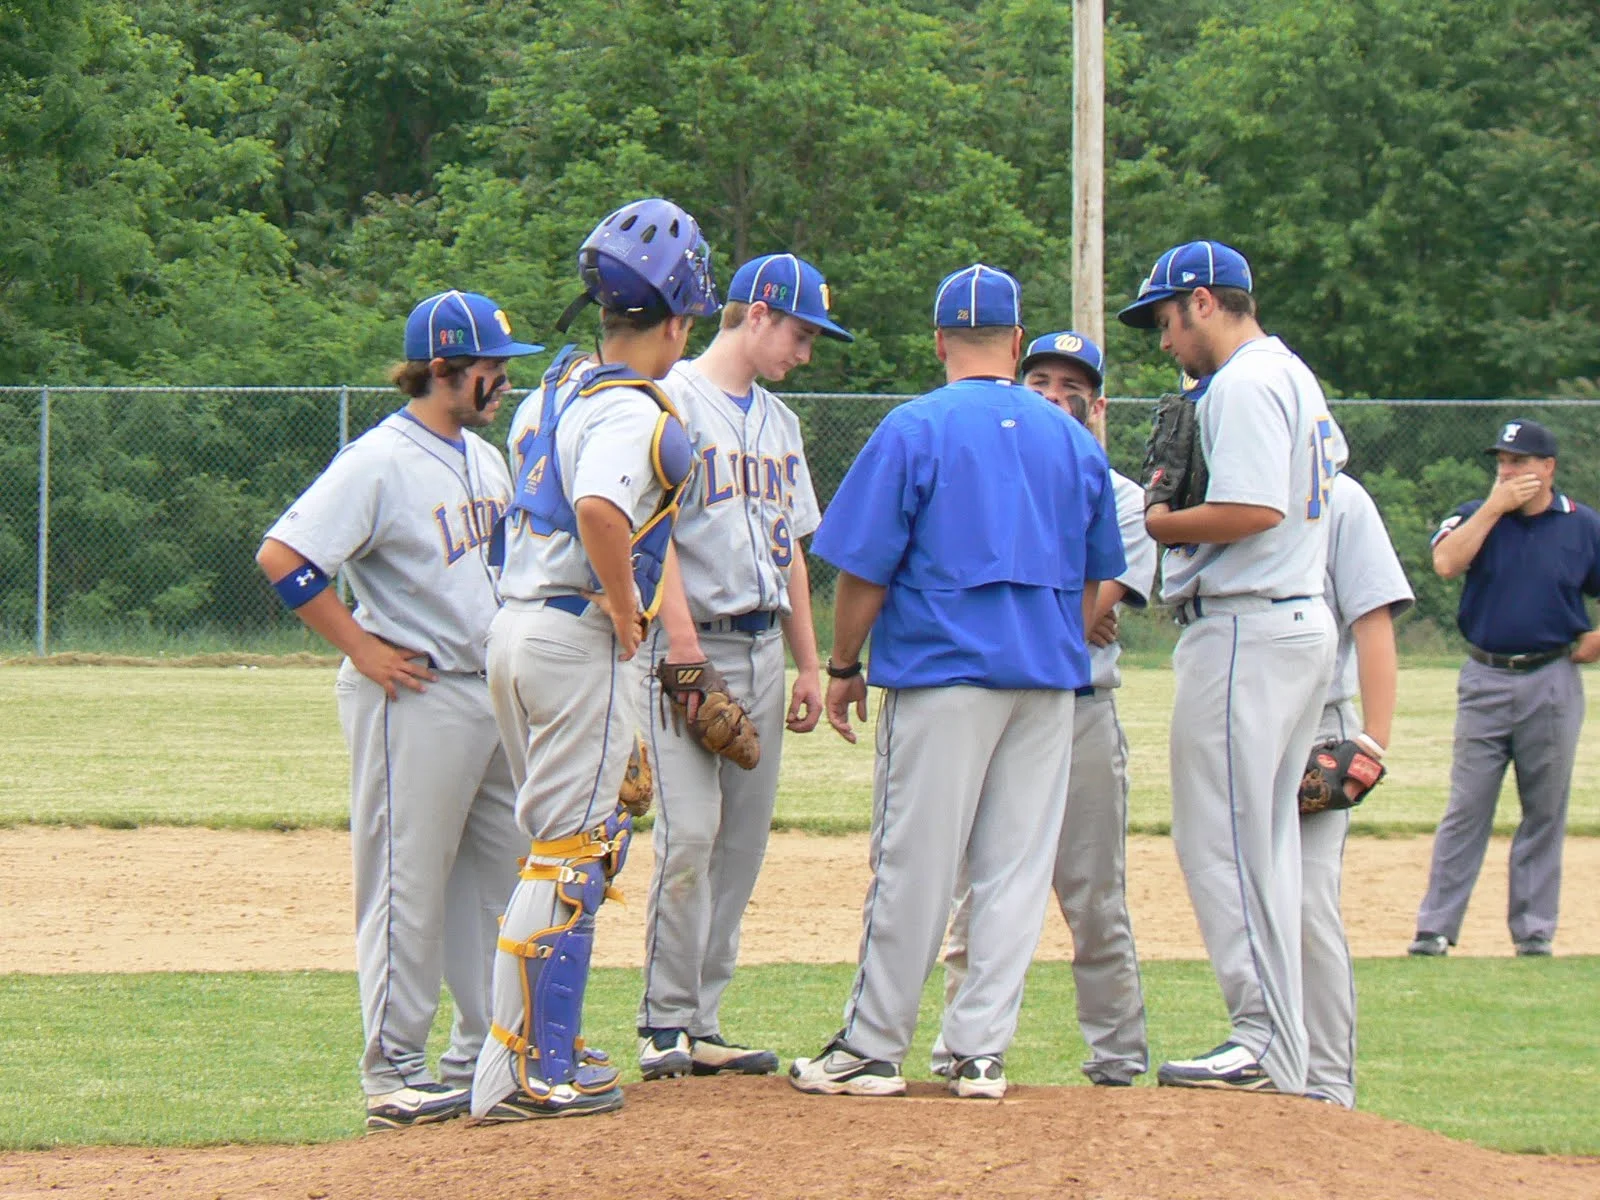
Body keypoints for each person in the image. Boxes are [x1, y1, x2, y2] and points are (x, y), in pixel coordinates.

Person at [789, 265, 1126, 1101]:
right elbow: (1095, 582)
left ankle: (871, 1048)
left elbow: (863, 572)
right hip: (1048, 681)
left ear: (939, 341)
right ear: (1016, 344)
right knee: (1014, 867)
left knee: (916, 862)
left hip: (944, 675)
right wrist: (1054, 637)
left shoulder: (916, 426)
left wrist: (841, 666)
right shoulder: (1072, 441)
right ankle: (980, 1053)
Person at [255, 290, 544, 1131]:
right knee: (404, 886)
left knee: (501, 881)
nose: (501, 380)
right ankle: (392, 1072)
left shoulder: (486, 460)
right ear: (445, 369)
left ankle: (481, 1054)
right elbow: (285, 556)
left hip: (489, 692)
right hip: (411, 697)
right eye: (491, 366)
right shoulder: (379, 459)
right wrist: (361, 647)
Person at [469, 197, 719, 1121]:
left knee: (575, 843)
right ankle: (531, 1070)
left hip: (521, 626)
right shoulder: (633, 410)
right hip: (575, 633)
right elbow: (603, 512)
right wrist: (626, 610)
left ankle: (534, 1048)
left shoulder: (558, 387)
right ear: (682, 316)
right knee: (575, 854)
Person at [1118, 239, 1347, 1096]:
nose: (1165, 341)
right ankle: (1285, 1046)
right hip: (1293, 623)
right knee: (1268, 847)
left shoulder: (1246, 383)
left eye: (1167, 321)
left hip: (1249, 625)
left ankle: (1261, 1039)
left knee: (1224, 840)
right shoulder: (1293, 375)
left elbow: (1254, 507)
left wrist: (1160, 519)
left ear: (1205, 302)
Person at [635, 253, 849, 1080]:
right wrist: (684, 653)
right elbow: (658, 537)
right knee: (689, 834)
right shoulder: (672, 400)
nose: (806, 351)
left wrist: (808, 661)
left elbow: (792, 549)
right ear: (757, 313)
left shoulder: (782, 425)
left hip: (764, 645)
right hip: (694, 648)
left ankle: (704, 1018)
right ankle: (662, 1021)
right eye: (800, 333)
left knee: (740, 848)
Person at [930, 330, 1154, 1088]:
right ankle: (962, 1047)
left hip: (1082, 709)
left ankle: (1118, 1059)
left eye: (1073, 385)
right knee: (977, 890)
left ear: (1098, 404)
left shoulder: (1123, 497)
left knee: (1094, 900)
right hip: (1003, 708)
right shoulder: (992, 475)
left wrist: (1040, 600)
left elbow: (1091, 610)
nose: (1057, 395)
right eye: (1042, 381)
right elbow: (1068, 609)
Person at [1409, 419, 1600, 958]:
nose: (1509, 471)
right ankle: (1436, 928)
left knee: (1544, 809)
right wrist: (1493, 507)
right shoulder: (1475, 516)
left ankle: (1534, 932)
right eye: (1503, 463)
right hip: (1485, 676)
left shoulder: (1582, 526)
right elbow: (1446, 563)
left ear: (1548, 469)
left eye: (1520, 463)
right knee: (1467, 807)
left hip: (1553, 678)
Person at [1300, 467, 1413, 1107]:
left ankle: (1326, 1083)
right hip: (1239, 722)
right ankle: (1272, 1057)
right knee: (1244, 903)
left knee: (1308, 903)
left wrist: (1372, 739)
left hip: (1320, 724)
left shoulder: (1340, 498)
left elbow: (1373, 619)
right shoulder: (1215, 493)